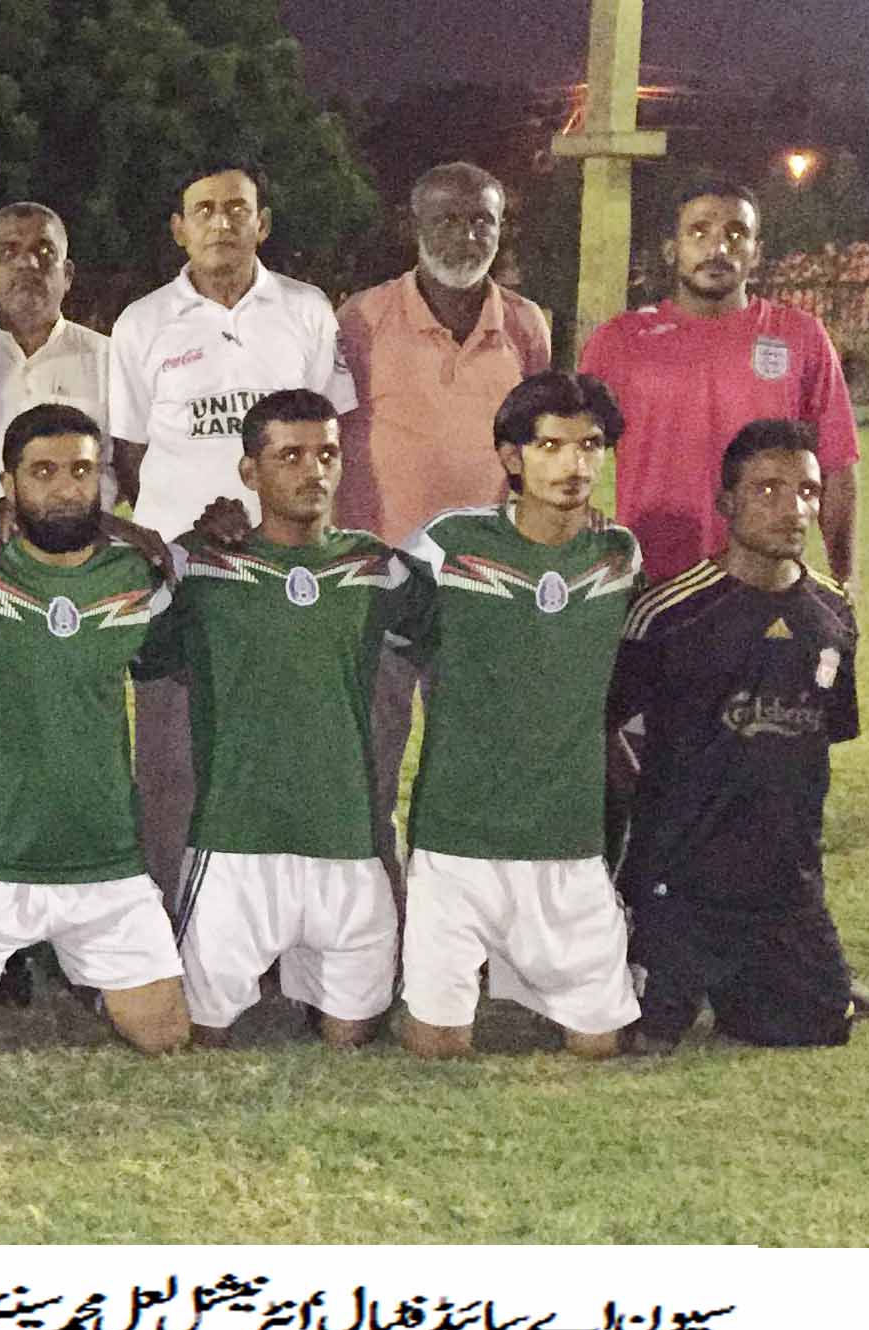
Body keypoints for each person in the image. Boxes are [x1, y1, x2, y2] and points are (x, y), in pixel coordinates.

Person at [0, 404, 190, 1058]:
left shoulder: (138, 577)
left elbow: (165, 659)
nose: (64, 488)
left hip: (102, 858)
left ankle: (81, 972)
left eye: (81, 472)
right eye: (43, 472)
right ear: (10, 484)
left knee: (165, 1037)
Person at [134, 389, 422, 1050]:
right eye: (289, 456)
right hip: (234, 845)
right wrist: (182, 541)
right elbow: (141, 649)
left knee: (353, 1035)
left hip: (345, 845)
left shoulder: (379, 569)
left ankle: (311, 979)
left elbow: (453, 633)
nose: (313, 470)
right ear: (249, 472)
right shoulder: (200, 568)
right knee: (201, 1034)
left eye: (326, 454)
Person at [108, 160, 356, 904]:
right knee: (172, 759)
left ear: (263, 222)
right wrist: (182, 530)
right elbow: (130, 452)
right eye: (205, 210)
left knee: (277, 748)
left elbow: (327, 432)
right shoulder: (142, 322)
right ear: (179, 228)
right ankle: (167, 912)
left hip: (283, 570)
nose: (222, 222)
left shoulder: (306, 309)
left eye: (237, 208)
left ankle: (269, 915)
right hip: (179, 574)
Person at [395, 372, 640, 1058]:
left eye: (590, 446)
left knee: (598, 1047)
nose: (574, 465)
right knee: (436, 1047)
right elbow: (382, 630)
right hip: (457, 840)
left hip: (566, 838)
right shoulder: (446, 545)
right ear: (511, 457)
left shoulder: (619, 555)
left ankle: (536, 973)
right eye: (551, 446)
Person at [611, 419, 862, 1053]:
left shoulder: (833, 614)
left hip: (784, 887)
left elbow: (823, 736)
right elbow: (606, 732)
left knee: (820, 1026)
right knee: (645, 1037)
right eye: (767, 490)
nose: (793, 508)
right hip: (679, 886)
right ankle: (644, 948)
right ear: (726, 504)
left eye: (807, 491)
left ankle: (773, 976)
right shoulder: (669, 614)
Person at [336, 162, 552, 878]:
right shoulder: (362, 319)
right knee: (368, 764)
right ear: (414, 226)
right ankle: (375, 911)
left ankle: (456, 910)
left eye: (482, 220)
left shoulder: (525, 324)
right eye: (448, 220)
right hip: (380, 580)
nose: (466, 235)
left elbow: (536, 449)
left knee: (475, 769)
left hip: (481, 585)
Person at [580, 180, 861, 591]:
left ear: (756, 253)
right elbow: (570, 450)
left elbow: (836, 463)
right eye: (699, 232)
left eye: (735, 234)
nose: (718, 248)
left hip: (766, 584)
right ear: (671, 249)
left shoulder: (799, 336)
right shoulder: (620, 340)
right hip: (652, 582)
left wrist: (843, 578)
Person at [0, 205, 114, 519]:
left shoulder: (109, 360)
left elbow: (129, 468)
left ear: (67, 275)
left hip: (80, 547)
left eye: (44, 252)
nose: (28, 264)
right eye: (8, 252)